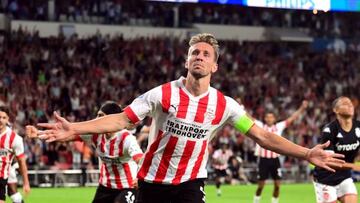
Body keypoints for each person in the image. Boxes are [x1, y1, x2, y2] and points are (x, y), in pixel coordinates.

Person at [28, 33, 344, 203]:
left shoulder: (225, 105)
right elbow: (122, 119)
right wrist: (75, 127)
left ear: (214, 66)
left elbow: (262, 136)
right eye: (195, 53)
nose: (200, 57)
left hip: (191, 184)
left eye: (206, 54)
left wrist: (306, 154)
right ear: (186, 60)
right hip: (151, 183)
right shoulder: (161, 95)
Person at [28, 102, 143, 203]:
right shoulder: (95, 135)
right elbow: (65, 135)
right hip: (105, 187)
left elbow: (141, 160)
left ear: (111, 119)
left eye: (101, 116)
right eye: (97, 115)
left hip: (127, 187)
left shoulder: (126, 139)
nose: (96, 119)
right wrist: (38, 133)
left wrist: (139, 177)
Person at [253, 100, 308, 203]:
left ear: (274, 119)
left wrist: (302, 108)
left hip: (275, 159)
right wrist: (240, 106)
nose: (269, 119)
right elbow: (249, 117)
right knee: (261, 185)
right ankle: (256, 201)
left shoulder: (278, 126)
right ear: (265, 119)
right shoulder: (260, 125)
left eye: (271, 117)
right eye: (267, 117)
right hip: (263, 160)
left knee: (277, 185)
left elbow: (292, 119)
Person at [313, 96, 359, 203]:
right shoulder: (329, 131)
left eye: (350, 103)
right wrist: (355, 166)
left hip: (344, 177)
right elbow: (329, 161)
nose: (349, 105)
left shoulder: (358, 127)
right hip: (325, 178)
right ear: (335, 110)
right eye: (344, 103)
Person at [0, 106, 30, 203]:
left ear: (8, 119)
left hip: (3, 175)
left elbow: (21, 161)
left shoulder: (14, 138)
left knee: (13, 192)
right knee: (13, 193)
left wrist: (26, 182)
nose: (1, 120)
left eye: (4, 118)